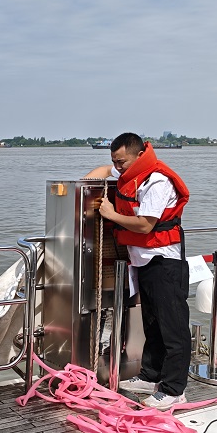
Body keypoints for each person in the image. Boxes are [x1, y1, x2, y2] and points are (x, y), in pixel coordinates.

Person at [85, 132, 190, 410]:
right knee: (152, 324)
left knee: (173, 328)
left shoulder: (157, 180)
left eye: (121, 162)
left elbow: (145, 225)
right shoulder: (129, 173)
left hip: (164, 262)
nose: (117, 167)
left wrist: (111, 214)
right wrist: (82, 188)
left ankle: (174, 389)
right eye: (115, 161)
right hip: (143, 262)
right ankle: (150, 376)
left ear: (139, 155)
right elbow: (101, 171)